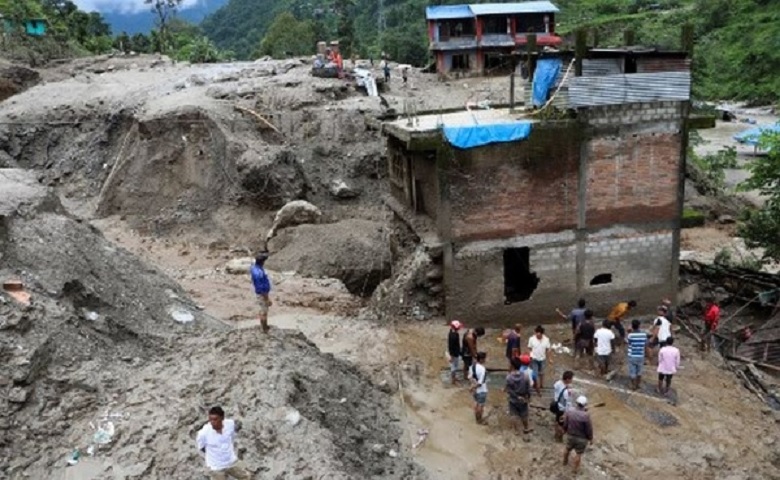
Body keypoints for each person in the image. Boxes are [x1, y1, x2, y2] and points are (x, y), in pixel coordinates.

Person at [196, 406, 251, 480]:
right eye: (210, 420)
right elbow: (202, 447)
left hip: (231, 461)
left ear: (222, 418)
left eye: (215, 419)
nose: (212, 422)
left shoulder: (230, 424)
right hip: (216, 467)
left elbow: (232, 436)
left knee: (246, 477)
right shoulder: (203, 433)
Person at [562, 396, 593, 475]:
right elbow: (589, 429)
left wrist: (564, 430)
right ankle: (574, 470)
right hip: (581, 439)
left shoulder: (570, 411)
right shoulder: (586, 416)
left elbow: (565, 423)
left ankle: (564, 462)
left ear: (576, 403)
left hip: (570, 435)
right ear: (585, 404)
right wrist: (590, 438)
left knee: (567, 449)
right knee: (578, 454)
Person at [505, 357, 533, 434]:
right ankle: (526, 428)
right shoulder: (525, 376)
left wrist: (516, 396)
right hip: (523, 399)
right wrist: (528, 397)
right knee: (524, 414)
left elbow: (509, 390)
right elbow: (528, 389)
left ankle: (516, 430)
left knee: (513, 414)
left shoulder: (509, 377)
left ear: (512, 366)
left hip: (513, 399)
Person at [250, 252, 272, 333]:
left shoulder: (255, 268)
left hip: (260, 292)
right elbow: (261, 287)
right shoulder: (259, 273)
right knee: (264, 311)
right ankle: (264, 328)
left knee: (262, 309)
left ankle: (264, 327)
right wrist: (267, 298)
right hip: (262, 294)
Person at [528, 326, 552, 393]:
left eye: (539, 334)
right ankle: (535, 385)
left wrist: (550, 358)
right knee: (534, 373)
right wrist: (530, 356)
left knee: (542, 373)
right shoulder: (531, 339)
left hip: (542, 359)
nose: (538, 335)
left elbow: (548, 350)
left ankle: (541, 385)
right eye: (537, 333)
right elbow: (529, 348)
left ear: (542, 334)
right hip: (534, 358)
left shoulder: (546, 339)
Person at [552, 371, 574, 442]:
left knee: (557, 421)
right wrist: (566, 413)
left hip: (557, 405)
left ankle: (556, 435)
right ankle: (559, 438)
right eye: (571, 379)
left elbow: (555, 389)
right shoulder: (568, 391)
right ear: (567, 379)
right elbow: (568, 403)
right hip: (562, 409)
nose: (572, 380)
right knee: (562, 424)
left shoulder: (558, 383)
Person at [626, 319, 648, 391]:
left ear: (632, 326)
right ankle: (638, 385)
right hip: (640, 355)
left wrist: (628, 332)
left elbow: (628, 342)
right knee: (639, 371)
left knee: (632, 372)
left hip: (632, 355)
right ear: (639, 326)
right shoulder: (644, 335)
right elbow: (645, 345)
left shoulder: (630, 335)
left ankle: (633, 385)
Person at [468, 351, 489, 425]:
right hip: (481, 390)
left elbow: (470, 377)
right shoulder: (483, 369)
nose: (485, 360)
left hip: (475, 391)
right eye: (484, 359)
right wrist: (473, 387)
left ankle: (476, 416)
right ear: (481, 359)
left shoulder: (472, 366)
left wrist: (472, 386)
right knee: (480, 404)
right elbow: (480, 383)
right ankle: (479, 420)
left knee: (476, 402)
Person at [447, 320, 463, 385]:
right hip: (454, 353)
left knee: (454, 366)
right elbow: (452, 346)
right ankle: (453, 380)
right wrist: (452, 355)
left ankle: (454, 378)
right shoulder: (454, 336)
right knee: (454, 366)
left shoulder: (452, 333)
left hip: (454, 352)